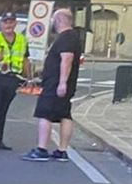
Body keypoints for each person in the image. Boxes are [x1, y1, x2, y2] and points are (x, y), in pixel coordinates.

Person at [23, 9, 87, 162]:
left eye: (52, 19)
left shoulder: (66, 38)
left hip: (56, 83)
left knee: (45, 114)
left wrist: (62, 83)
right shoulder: (72, 37)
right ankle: (61, 151)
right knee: (64, 114)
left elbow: (67, 59)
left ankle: (41, 149)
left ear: (58, 20)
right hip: (61, 83)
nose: (51, 22)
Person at [0, 12, 31, 151]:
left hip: (12, 78)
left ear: (15, 23)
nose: (8, 24)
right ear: (1, 24)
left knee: (3, 110)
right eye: (5, 22)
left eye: (11, 22)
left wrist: (29, 78)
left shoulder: (22, 40)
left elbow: (26, 59)